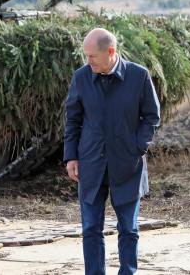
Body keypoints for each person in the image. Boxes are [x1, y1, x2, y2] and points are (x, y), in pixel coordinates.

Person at [64, 27, 161, 275]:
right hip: (90, 164)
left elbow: (151, 117)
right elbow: (73, 120)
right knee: (91, 229)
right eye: (86, 56)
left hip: (127, 165)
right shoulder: (82, 77)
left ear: (110, 52)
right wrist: (71, 156)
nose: (88, 62)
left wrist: (137, 147)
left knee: (128, 229)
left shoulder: (139, 76)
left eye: (92, 56)